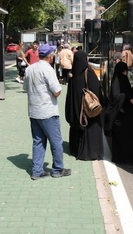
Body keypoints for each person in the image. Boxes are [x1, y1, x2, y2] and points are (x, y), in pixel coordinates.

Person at [23, 44, 71, 180]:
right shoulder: (48, 70)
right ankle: (57, 169)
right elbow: (57, 91)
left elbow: (26, 87)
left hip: (33, 111)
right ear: (50, 56)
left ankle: (36, 171)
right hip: (48, 112)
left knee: (38, 141)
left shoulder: (29, 69)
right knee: (56, 141)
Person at [65, 51, 104, 161]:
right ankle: (91, 152)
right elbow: (97, 91)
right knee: (92, 129)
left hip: (77, 112)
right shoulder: (89, 73)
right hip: (88, 110)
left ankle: (75, 150)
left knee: (77, 130)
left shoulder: (73, 76)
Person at [104, 61, 133, 164]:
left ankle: (121, 157)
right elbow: (116, 97)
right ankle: (120, 157)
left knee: (122, 137)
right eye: (125, 71)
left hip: (122, 112)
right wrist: (128, 97)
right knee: (122, 137)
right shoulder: (118, 81)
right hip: (120, 114)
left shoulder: (119, 79)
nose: (126, 73)